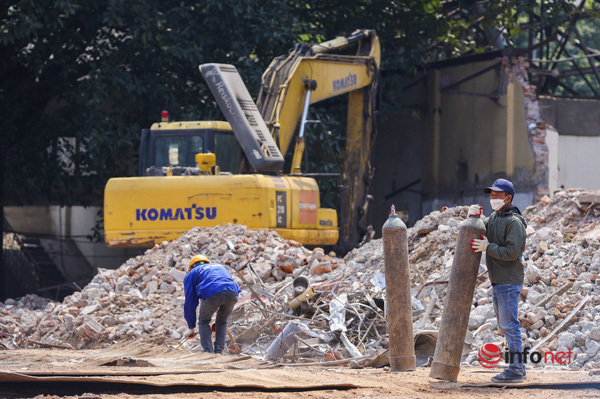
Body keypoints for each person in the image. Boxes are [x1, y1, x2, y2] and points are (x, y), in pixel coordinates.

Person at [468, 178, 527, 383]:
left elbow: (512, 252)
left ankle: (517, 370)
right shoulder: (494, 217)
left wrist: (488, 248)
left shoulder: (514, 223)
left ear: (508, 198)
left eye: (497, 195)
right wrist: (473, 216)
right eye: (491, 195)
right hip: (499, 280)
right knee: (506, 325)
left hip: (508, 280)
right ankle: (516, 366)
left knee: (510, 325)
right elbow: (479, 228)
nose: (493, 198)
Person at [183, 255, 241, 353]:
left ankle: (208, 352)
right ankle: (219, 352)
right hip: (233, 293)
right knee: (222, 322)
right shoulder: (220, 267)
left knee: (204, 321)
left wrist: (191, 327)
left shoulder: (192, 273)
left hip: (211, 292)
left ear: (191, 267)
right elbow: (226, 289)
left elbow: (190, 302)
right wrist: (225, 315)